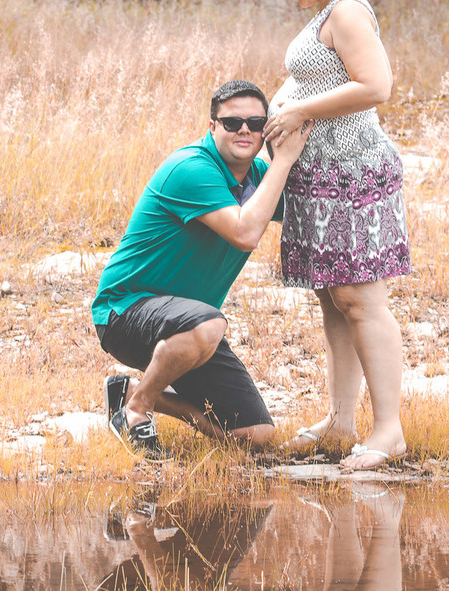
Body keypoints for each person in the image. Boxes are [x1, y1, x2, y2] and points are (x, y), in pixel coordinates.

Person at [91, 80, 311, 460]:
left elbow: (308, 207)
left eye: (256, 123)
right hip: (124, 311)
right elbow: (245, 232)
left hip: (188, 326)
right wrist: (284, 161)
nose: (245, 130)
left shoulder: (259, 176)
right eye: (232, 123)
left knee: (254, 435)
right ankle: (136, 411)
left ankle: (131, 393)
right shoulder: (191, 168)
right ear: (212, 126)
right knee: (209, 325)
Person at [263, 0, 412, 470]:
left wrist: (298, 110)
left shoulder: (347, 11)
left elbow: (376, 86)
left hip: (351, 174)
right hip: (319, 175)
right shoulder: (325, 10)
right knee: (334, 299)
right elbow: (318, 77)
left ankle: (389, 430)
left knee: (363, 302)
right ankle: (341, 419)